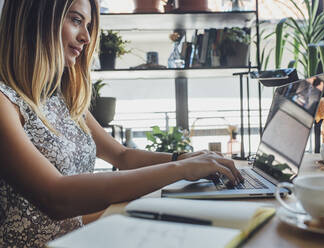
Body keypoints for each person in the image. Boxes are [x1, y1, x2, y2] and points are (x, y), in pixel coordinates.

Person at [0, 0, 243, 247]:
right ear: (35, 19)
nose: (85, 37)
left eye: (88, 25)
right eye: (75, 20)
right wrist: (180, 170)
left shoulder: (59, 96)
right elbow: (55, 195)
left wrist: (181, 158)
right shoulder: (4, 101)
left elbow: (122, 155)